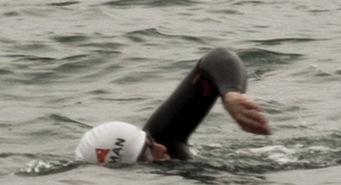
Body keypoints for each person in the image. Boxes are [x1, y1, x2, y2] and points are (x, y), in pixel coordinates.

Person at [72, 46, 272, 167]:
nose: (160, 148)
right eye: (147, 152)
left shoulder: (164, 142)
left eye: (149, 141)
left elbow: (217, 57)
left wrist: (230, 93)